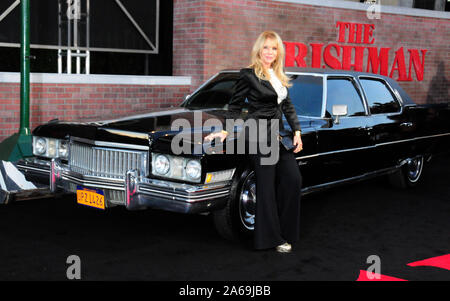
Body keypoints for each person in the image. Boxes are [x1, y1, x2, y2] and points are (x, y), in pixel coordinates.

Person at [204, 31, 303, 253]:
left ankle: (287, 232)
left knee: (293, 179)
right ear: (259, 49)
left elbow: (286, 106)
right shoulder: (248, 75)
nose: (269, 52)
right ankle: (271, 239)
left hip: (279, 137)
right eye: (266, 47)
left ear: (279, 52)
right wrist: (225, 132)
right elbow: (235, 106)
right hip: (257, 135)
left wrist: (296, 131)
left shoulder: (279, 75)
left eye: (274, 48)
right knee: (266, 188)